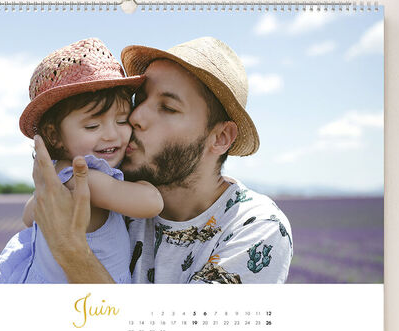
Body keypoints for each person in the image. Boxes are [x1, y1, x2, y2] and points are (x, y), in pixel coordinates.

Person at [31, 37, 293, 284]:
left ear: (221, 137)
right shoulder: (111, 193)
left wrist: (72, 253)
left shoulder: (255, 227)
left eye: (167, 107)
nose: (136, 117)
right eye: (139, 100)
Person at [0, 38, 163, 284]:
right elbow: (152, 203)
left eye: (121, 121)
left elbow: (28, 216)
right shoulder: (87, 181)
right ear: (54, 135)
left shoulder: (57, 177)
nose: (112, 134)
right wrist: (144, 182)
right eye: (92, 126)